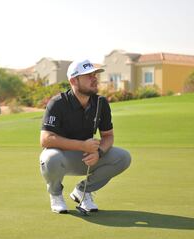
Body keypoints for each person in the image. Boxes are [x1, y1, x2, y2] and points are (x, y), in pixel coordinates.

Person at [39, 59, 131, 214]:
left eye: (94, 74)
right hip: (61, 157)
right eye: (88, 76)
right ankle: (55, 195)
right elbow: (46, 139)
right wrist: (82, 146)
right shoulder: (57, 103)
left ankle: (83, 191)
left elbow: (108, 136)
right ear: (74, 80)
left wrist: (99, 152)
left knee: (123, 157)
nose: (94, 78)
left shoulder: (100, 103)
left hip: (87, 157)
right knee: (50, 158)